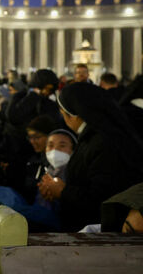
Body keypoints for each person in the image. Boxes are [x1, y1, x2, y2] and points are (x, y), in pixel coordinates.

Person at [39, 82, 143, 231]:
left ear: (74, 116)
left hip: (96, 232)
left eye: (63, 115)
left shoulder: (104, 143)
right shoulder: (97, 135)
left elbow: (101, 197)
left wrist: (63, 191)